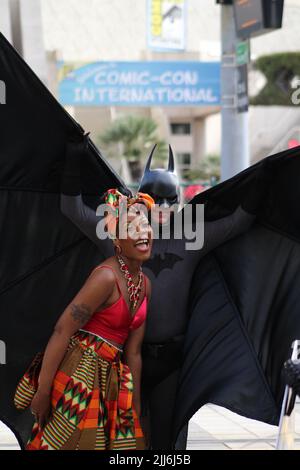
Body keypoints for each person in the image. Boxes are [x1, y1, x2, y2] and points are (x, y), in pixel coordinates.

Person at [60, 138, 268, 449]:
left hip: (172, 360)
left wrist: (264, 176)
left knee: (170, 440)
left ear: (181, 200)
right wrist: (72, 162)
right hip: (125, 358)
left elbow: (240, 220)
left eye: (171, 200)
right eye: (156, 199)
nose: (163, 208)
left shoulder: (189, 239)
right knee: (127, 439)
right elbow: (71, 208)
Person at [22, 189, 154, 450]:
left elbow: (134, 352)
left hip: (112, 378)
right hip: (79, 373)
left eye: (145, 224)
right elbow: (62, 330)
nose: (143, 232)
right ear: (117, 240)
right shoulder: (105, 277)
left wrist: (135, 406)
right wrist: (44, 391)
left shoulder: (145, 284)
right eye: (131, 226)